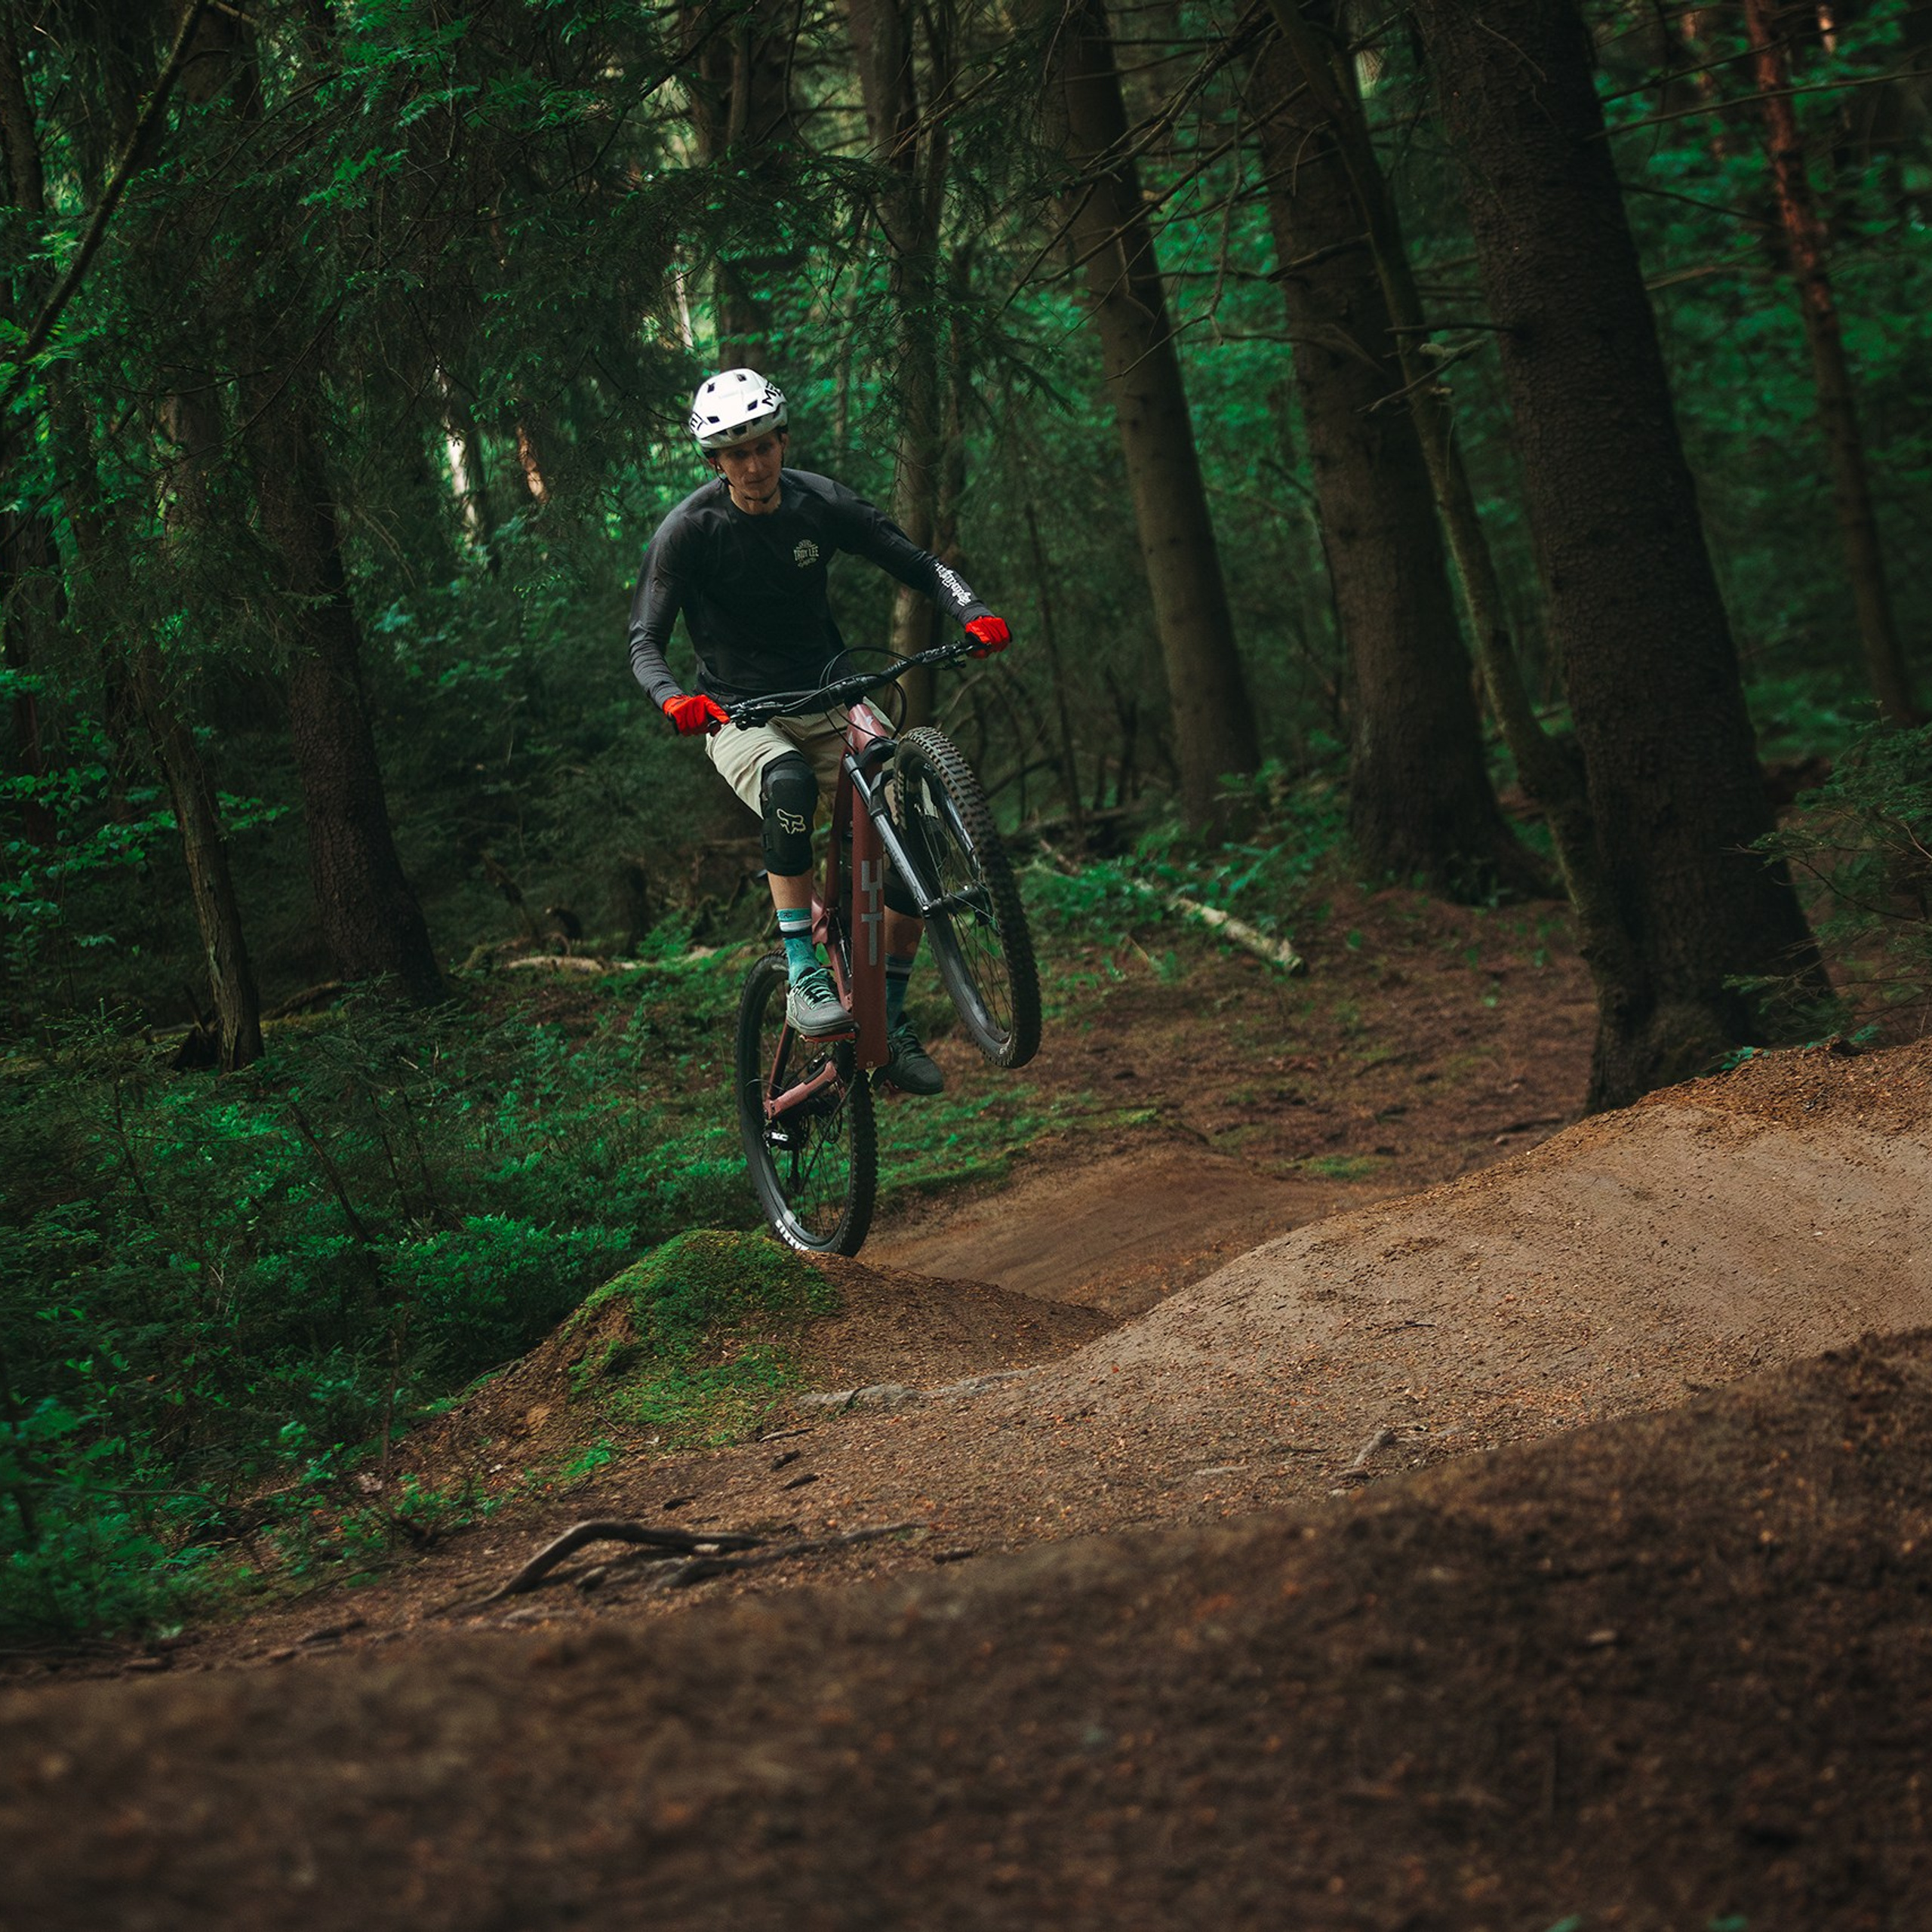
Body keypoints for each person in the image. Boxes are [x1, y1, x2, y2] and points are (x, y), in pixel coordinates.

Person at [628, 366, 1012, 1097]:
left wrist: (972, 609)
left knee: (909, 835)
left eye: (763, 446)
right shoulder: (690, 531)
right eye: (736, 454)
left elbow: (919, 564)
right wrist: (674, 699)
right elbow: (645, 638)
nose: (753, 464)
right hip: (742, 714)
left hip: (832, 694)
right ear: (716, 462)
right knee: (789, 784)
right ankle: (804, 972)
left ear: (782, 440)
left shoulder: (820, 503)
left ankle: (888, 1021)